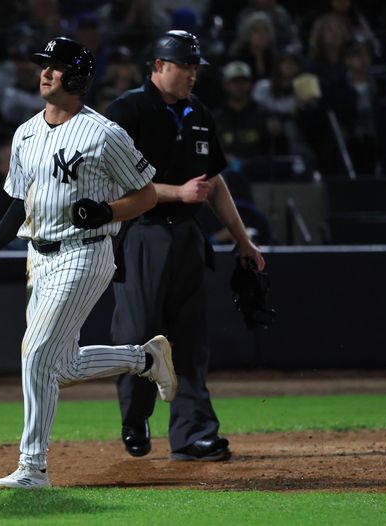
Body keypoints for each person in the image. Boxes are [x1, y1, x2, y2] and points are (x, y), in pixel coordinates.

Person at [0, 37, 176, 489]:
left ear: (76, 78)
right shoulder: (25, 132)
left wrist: (108, 211)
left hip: (85, 251)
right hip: (38, 256)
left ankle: (32, 468)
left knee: (35, 352)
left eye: (55, 67)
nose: (45, 72)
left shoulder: (104, 132)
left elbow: (147, 193)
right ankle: (145, 358)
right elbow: (19, 202)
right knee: (63, 366)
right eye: (44, 65)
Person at [105, 30, 265, 462]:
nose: (192, 74)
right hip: (140, 232)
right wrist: (177, 192)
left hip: (187, 237)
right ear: (159, 66)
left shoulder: (199, 112)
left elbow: (212, 182)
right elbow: (114, 182)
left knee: (190, 340)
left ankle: (194, 434)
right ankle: (136, 417)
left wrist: (242, 239)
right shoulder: (127, 110)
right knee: (138, 335)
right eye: (184, 66)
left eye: (196, 67)